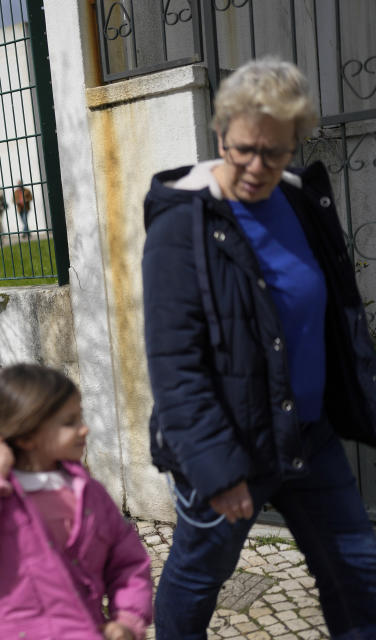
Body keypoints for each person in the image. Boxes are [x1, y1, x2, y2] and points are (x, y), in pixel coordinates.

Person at [142, 58, 376, 638]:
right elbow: (175, 366)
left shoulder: (301, 204)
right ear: (221, 133)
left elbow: (336, 317)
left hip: (309, 438)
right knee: (200, 579)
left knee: (360, 574)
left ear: (295, 143)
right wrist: (219, 473)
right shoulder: (183, 224)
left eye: (274, 153)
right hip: (228, 447)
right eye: (243, 148)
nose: (255, 167)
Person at [0, 364, 152, 639]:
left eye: (80, 418)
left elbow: (128, 562)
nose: (84, 429)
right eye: (70, 422)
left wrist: (128, 618)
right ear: (27, 435)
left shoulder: (89, 493)